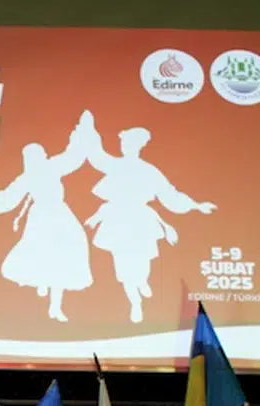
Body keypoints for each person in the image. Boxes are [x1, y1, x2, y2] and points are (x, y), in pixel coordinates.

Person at [77, 114, 216, 322]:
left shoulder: (149, 171)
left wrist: (196, 205)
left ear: (138, 146)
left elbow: (170, 194)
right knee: (123, 267)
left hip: (141, 222)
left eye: (129, 143)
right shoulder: (114, 165)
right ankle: (135, 302)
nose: (124, 146)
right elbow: (97, 156)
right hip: (117, 222)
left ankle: (141, 281)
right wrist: (89, 130)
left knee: (142, 264)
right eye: (123, 142)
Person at [0, 112, 94, 322]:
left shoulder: (51, 167)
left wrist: (82, 132)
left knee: (63, 257)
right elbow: (6, 198)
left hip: (58, 216)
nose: (34, 160)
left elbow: (73, 156)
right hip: (42, 219)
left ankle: (55, 306)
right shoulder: (27, 177)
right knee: (44, 255)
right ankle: (44, 286)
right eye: (31, 157)